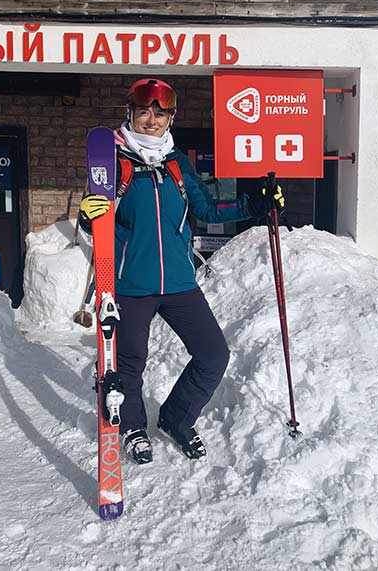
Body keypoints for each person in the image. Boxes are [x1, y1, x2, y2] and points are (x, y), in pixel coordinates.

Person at [80, 78, 285, 465]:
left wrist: (255, 205)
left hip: (178, 283)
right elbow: (98, 216)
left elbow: (206, 210)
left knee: (213, 354)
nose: (151, 120)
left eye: (160, 114)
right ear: (131, 114)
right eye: (144, 112)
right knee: (130, 364)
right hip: (130, 284)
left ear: (170, 118)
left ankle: (176, 418)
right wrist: (87, 218)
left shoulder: (177, 163)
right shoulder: (115, 161)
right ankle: (134, 427)